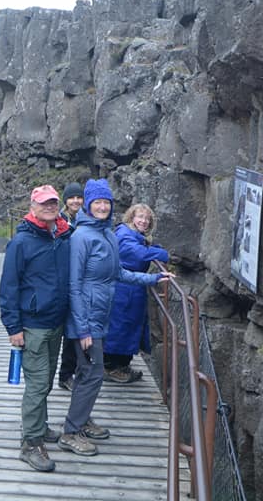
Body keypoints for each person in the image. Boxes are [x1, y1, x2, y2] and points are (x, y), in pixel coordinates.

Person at [59, 179, 172, 458]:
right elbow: (73, 285)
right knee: (92, 373)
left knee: (90, 374)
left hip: (100, 316)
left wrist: (153, 277)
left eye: (106, 202)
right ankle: (71, 432)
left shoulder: (108, 234)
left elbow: (118, 273)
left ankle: (81, 419)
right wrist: (82, 329)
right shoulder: (81, 237)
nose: (101, 206)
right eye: (97, 202)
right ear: (87, 204)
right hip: (85, 320)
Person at [0, 185, 72, 472]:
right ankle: (30, 444)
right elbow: (8, 288)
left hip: (55, 322)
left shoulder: (62, 235)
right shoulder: (21, 242)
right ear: (32, 206)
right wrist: (13, 327)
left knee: (46, 381)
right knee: (38, 385)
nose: (50, 207)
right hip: (32, 325)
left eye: (53, 203)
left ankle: (39, 427)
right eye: (44, 204)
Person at [103, 204, 170, 383]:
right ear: (131, 217)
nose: (144, 221)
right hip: (124, 288)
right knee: (120, 327)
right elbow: (138, 254)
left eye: (147, 219)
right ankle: (110, 367)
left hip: (131, 288)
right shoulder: (125, 235)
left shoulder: (132, 235)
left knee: (127, 326)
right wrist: (162, 253)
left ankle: (121, 365)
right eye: (140, 217)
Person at [56, 181, 85, 391]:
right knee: (68, 331)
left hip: (80, 280)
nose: (75, 201)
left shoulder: (86, 219)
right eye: (72, 197)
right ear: (65, 200)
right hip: (65, 280)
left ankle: (71, 372)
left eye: (78, 197)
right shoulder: (60, 220)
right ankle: (65, 375)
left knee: (75, 329)